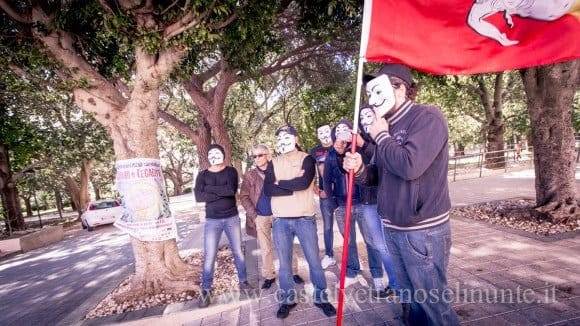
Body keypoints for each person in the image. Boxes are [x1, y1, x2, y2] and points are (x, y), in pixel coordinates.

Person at [344, 64, 460, 325]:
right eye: (369, 94)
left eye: (378, 91)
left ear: (401, 89)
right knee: (411, 300)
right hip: (393, 229)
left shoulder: (427, 117)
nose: (372, 101)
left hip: (422, 231)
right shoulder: (386, 127)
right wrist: (361, 168)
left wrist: (382, 136)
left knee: (433, 306)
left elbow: (410, 165)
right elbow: (378, 176)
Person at [264, 125, 336, 319]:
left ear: (295, 139)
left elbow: (304, 183)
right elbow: (269, 189)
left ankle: (321, 298)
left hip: (304, 219)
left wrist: (281, 183)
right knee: (285, 265)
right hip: (280, 222)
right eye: (280, 138)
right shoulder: (273, 162)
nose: (283, 140)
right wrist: (290, 185)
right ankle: (287, 299)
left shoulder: (307, 158)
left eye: (287, 137)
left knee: (314, 261)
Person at [323, 119, 398, 298]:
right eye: (338, 130)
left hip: (363, 203)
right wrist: (333, 203)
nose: (342, 132)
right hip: (343, 205)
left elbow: (368, 172)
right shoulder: (333, 155)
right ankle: (352, 270)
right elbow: (329, 179)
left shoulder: (362, 149)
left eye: (345, 128)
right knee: (348, 242)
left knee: (372, 241)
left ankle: (378, 275)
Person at [239, 144, 304, 290]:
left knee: (286, 245)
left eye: (260, 155)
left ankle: (294, 272)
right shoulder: (250, 175)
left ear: (267, 155)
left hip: (280, 215)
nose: (257, 158)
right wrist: (254, 215)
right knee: (265, 248)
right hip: (260, 216)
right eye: (254, 156)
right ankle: (269, 275)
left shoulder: (277, 168)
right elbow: (243, 197)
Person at [194, 144, 250, 308]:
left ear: (223, 155)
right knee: (210, 255)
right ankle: (206, 290)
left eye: (217, 152)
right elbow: (198, 196)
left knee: (237, 251)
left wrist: (209, 190)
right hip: (212, 221)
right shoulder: (202, 175)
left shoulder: (231, 171)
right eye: (210, 153)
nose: (214, 155)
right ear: (207, 157)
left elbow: (230, 190)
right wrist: (219, 190)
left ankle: (244, 282)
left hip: (231, 218)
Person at [467, 0, 580, 46]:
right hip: (545, 7)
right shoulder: (481, 6)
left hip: (549, 10)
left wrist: (501, 38)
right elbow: (473, 20)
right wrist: (500, 38)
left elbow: (473, 20)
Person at [309, 123, 338, 269]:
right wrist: (313, 186)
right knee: (327, 227)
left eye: (327, 131)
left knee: (346, 226)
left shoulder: (340, 145)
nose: (324, 134)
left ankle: (351, 258)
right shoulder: (315, 151)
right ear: (317, 135)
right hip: (325, 195)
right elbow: (308, 171)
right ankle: (329, 255)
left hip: (342, 195)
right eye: (321, 132)